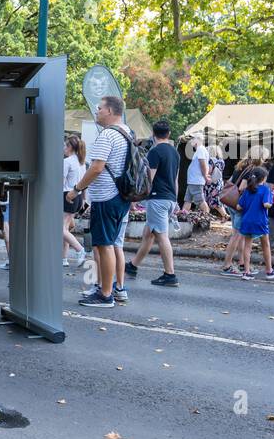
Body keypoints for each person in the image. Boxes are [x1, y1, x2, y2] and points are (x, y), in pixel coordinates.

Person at [68, 94, 131, 308]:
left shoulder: (108, 135)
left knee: (104, 246)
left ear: (111, 111)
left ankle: (105, 294)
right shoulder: (127, 133)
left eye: (100, 108)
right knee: (110, 245)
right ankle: (108, 288)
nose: (97, 112)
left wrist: (77, 189)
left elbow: (96, 167)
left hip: (106, 197)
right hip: (121, 197)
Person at [125, 118, 179, 286]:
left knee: (161, 236)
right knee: (149, 234)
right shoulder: (175, 153)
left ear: (153, 134)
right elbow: (176, 179)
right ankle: (133, 265)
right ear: (169, 134)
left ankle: (170, 274)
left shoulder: (155, 152)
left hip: (157, 198)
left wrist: (137, 197)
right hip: (169, 198)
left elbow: (149, 178)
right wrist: (175, 200)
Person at [221, 148, 264, 275]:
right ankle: (227, 265)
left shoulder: (241, 165)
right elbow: (241, 188)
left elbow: (230, 182)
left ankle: (242, 263)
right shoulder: (251, 170)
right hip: (239, 205)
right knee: (237, 236)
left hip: (231, 203)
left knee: (239, 235)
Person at [235, 168, 274, 278]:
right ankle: (269, 270)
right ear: (263, 178)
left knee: (247, 246)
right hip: (260, 221)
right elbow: (266, 204)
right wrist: (272, 198)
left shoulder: (247, 190)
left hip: (247, 221)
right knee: (266, 244)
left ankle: (246, 271)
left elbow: (239, 206)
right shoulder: (265, 189)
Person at [62, 135, 87, 266]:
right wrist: (84, 199)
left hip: (67, 195)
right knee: (65, 229)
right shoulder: (81, 161)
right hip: (77, 197)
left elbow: (61, 181)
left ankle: (80, 249)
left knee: (61, 229)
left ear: (70, 147)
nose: (64, 148)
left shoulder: (67, 161)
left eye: (65, 145)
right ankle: (63, 258)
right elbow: (84, 183)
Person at [184, 137, 210, 218]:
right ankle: (183, 216)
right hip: (193, 180)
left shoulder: (200, 150)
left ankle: (206, 217)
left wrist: (205, 176)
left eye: (192, 139)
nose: (190, 141)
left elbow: (203, 164)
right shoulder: (200, 150)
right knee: (188, 200)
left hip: (196, 180)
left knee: (200, 201)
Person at [203, 145, 227, 219]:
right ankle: (206, 216)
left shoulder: (210, 160)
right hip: (218, 182)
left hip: (211, 183)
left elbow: (209, 171)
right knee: (214, 200)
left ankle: (225, 215)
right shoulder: (221, 161)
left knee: (209, 201)